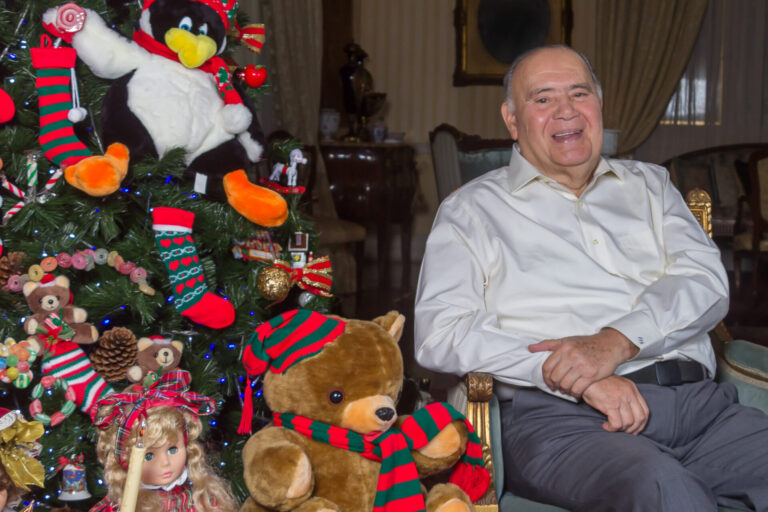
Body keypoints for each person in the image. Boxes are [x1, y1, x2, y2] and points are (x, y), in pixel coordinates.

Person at [414, 44, 768, 511]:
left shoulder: (652, 186)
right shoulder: (471, 210)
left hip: (700, 409)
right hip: (564, 421)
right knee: (665, 489)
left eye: (579, 93)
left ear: (598, 105)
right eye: (543, 98)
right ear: (512, 119)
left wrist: (617, 341)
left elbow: (705, 283)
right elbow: (440, 332)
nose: (566, 110)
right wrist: (571, 375)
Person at [89, 371, 237, 512]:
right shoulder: (117, 507)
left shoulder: (202, 501)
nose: (165, 463)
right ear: (125, 459)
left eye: (172, 450)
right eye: (148, 456)